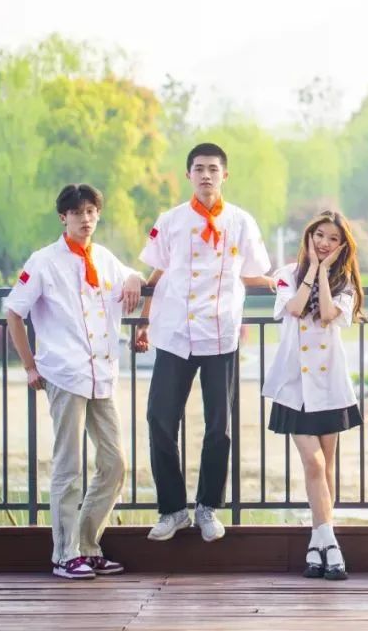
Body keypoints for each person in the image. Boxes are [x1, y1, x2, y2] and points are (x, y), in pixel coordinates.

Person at [135, 142, 273, 542]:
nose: (206, 175)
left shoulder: (241, 222)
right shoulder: (171, 220)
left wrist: (280, 282)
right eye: (199, 168)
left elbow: (252, 273)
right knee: (160, 419)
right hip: (175, 333)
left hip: (220, 333)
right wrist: (143, 321)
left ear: (224, 175)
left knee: (219, 426)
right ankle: (172, 510)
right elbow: (157, 272)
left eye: (213, 169)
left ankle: (208, 507)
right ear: (188, 175)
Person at [4, 183, 143, 579]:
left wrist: (135, 278)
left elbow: (130, 276)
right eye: (78, 212)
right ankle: (64, 554)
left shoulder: (104, 257)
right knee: (68, 466)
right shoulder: (44, 261)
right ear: (63, 217)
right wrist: (30, 366)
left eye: (91, 212)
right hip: (65, 374)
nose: (86, 219)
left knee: (115, 463)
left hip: (102, 374)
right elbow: (14, 311)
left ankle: (87, 544)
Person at [263, 211, 365, 581]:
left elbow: (325, 314)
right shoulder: (286, 274)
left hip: (329, 385)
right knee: (315, 464)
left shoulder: (346, 283)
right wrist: (311, 270)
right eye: (319, 235)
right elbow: (293, 308)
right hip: (294, 385)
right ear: (309, 237)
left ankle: (318, 544)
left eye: (333, 239)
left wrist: (324, 272)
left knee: (326, 466)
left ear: (342, 246)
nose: (324, 243)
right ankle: (331, 544)